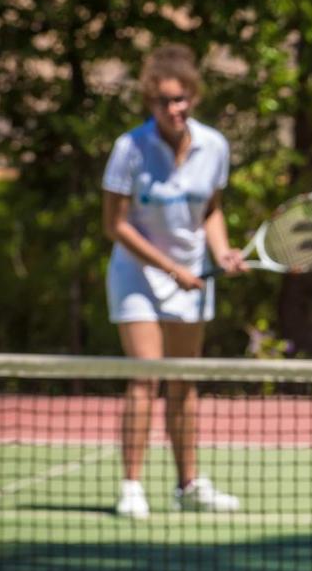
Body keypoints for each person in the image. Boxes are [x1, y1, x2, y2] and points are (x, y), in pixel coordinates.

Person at [102, 44, 246, 519]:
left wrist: (221, 249)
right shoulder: (130, 149)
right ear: (150, 103)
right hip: (137, 276)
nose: (173, 109)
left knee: (185, 384)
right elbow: (115, 225)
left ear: (194, 98)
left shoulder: (214, 147)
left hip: (193, 277)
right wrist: (170, 269)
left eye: (181, 99)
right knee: (146, 377)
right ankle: (131, 486)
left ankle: (188, 485)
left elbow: (212, 209)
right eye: (164, 101)